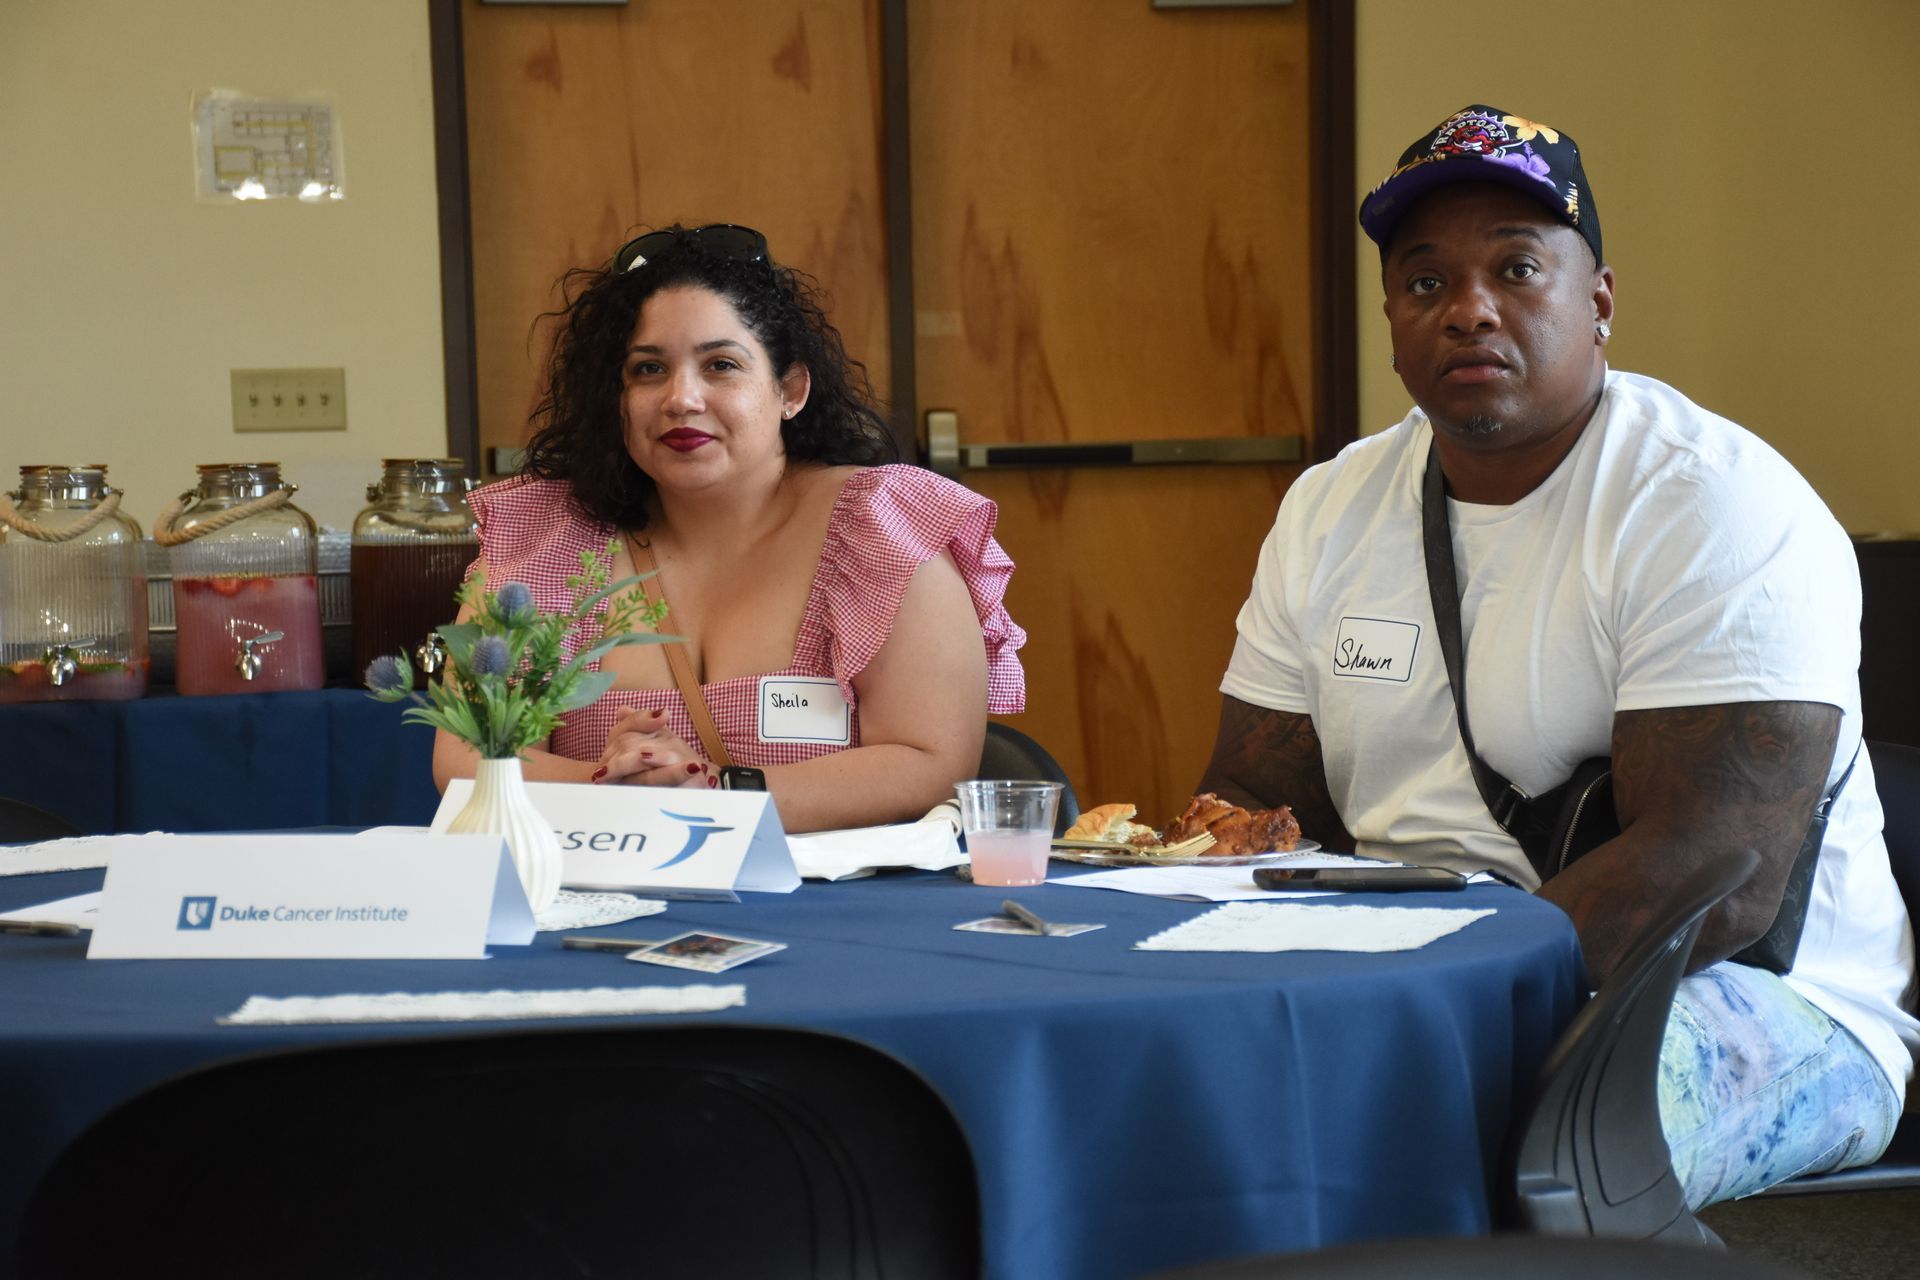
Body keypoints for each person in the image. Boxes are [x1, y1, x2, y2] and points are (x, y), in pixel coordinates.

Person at [1200, 106, 1916, 1205]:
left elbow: (1711, 880)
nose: (1469, 309)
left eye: (1519, 268)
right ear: (1392, 317)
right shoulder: (1329, 507)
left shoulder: (1714, 503)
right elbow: (1251, 799)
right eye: (1425, 282)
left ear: (1600, 302)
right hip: (1411, 979)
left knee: (1449, 1121)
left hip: (1755, 1000)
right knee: (1196, 1090)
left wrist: (1410, 993)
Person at [433, 223, 1027, 832]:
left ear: (790, 389)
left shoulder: (883, 528)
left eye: (720, 365)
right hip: (598, 895)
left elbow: (928, 763)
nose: (681, 399)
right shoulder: (544, 538)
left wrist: (714, 792)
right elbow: (464, 753)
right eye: (647, 370)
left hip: (831, 911)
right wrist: (611, 784)